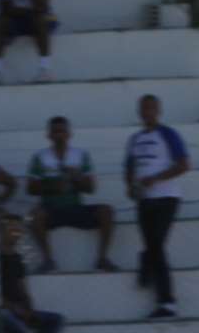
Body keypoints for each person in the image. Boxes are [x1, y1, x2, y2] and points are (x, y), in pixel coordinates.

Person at [126, 93, 190, 319]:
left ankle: (167, 301)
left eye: (152, 108)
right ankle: (146, 264)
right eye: (144, 108)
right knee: (153, 244)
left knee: (156, 246)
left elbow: (183, 165)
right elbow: (130, 167)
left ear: (158, 111)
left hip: (166, 198)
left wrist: (157, 178)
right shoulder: (134, 139)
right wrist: (130, 186)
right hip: (144, 200)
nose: (148, 112)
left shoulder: (168, 134)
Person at [26, 116, 117, 273]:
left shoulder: (81, 155)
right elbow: (30, 188)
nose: (59, 135)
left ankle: (102, 259)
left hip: (75, 208)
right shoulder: (40, 157)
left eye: (62, 131)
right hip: (51, 209)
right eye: (55, 131)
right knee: (34, 216)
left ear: (69, 134)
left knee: (106, 212)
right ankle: (48, 260)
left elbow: (91, 188)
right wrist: (53, 185)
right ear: (49, 135)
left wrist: (77, 178)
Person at [0, 217, 64, 333]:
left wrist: (28, 307)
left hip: (17, 308)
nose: (16, 234)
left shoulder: (16, 257)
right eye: (12, 230)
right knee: (15, 324)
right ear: (1, 231)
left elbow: (22, 286)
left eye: (18, 230)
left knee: (55, 320)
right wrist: (15, 309)